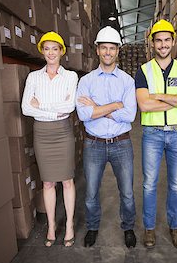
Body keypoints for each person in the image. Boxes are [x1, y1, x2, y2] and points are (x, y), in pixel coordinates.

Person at [135, 19, 177, 249]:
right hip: (152, 134)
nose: (163, 44)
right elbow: (144, 105)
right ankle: (149, 229)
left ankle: (175, 227)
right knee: (149, 184)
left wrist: (159, 97)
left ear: (173, 41)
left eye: (166, 40)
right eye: (158, 40)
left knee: (176, 184)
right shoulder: (143, 71)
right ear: (152, 44)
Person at [76, 26, 137, 248]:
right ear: (97, 50)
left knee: (128, 192)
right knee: (91, 192)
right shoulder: (86, 81)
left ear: (118, 50)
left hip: (122, 143)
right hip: (94, 144)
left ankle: (128, 227)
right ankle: (92, 227)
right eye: (104, 48)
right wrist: (115, 106)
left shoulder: (127, 81)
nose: (108, 52)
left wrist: (99, 107)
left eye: (112, 48)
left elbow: (130, 114)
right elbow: (84, 114)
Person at [21, 31, 78, 247]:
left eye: (55, 48)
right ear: (42, 52)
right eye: (47, 48)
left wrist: (41, 106)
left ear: (61, 51)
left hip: (62, 132)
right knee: (47, 182)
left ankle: (70, 225)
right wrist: (54, 109)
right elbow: (26, 109)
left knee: (67, 180)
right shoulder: (33, 77)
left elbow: (69, 107)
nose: (51, 53)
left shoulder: (71, 77)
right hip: (42, 133)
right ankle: (52, 227)